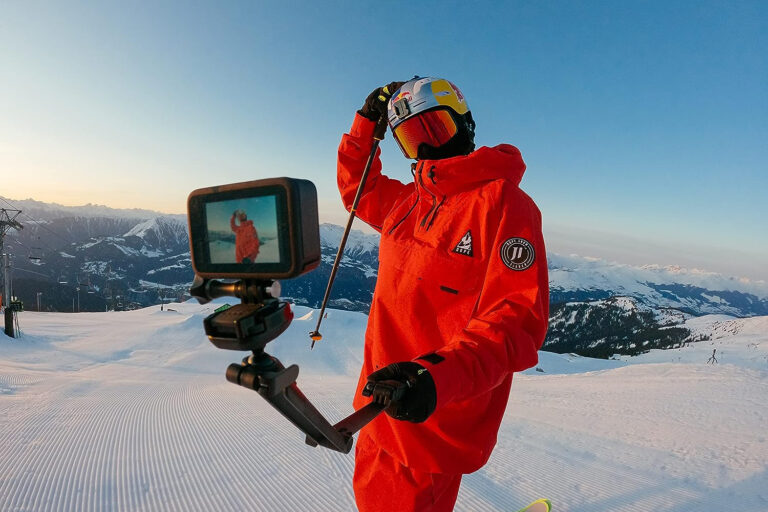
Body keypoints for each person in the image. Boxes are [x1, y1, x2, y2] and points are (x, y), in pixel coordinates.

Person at [337, 77, 550, 512]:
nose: (428, 148)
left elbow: (516, 321)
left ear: (465, 124)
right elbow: (356, 190)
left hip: (428, 414)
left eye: (435, 128)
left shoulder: (504, 205)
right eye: (413, 138)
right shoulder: (406, 203)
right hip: (374, 406)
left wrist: (435, 378)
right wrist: (366, 125)